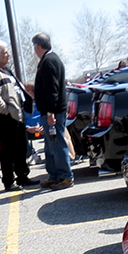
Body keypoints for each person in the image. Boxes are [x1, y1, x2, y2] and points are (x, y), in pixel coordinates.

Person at [0, 40, 33, 192]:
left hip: (17, 114)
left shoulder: (4, 70)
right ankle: (9, 182)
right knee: (8, 150)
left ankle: (23, 176)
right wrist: (7, 111)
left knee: (21, 147)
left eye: (8, 52)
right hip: (7, 117)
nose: (8, 54)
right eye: (5, 53)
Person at [31, 32, 73, 191]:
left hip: (53, 112)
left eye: (34, 46)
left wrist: (50, 113)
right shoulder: (49, 60)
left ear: (37, 46)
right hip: (51, 111)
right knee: (50, 145)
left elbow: (52, 90)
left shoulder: (49, 61)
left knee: (57, 143)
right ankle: (55, 176)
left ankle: (65, 176)